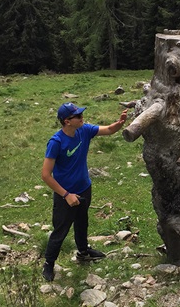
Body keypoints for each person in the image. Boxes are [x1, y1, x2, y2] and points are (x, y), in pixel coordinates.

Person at [41, 102, 128, 281]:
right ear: (67, 121)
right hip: (65, 195)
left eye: (81, 115)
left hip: (84, 188)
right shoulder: (56, 142)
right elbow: (45, 175)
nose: (82, 118)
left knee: (82, 221)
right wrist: (66, 195)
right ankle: (49, 263)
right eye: (78, 116)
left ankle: (83, 252)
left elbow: (109, 130)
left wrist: (120, 123)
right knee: (61, 230)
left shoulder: (84, 131)